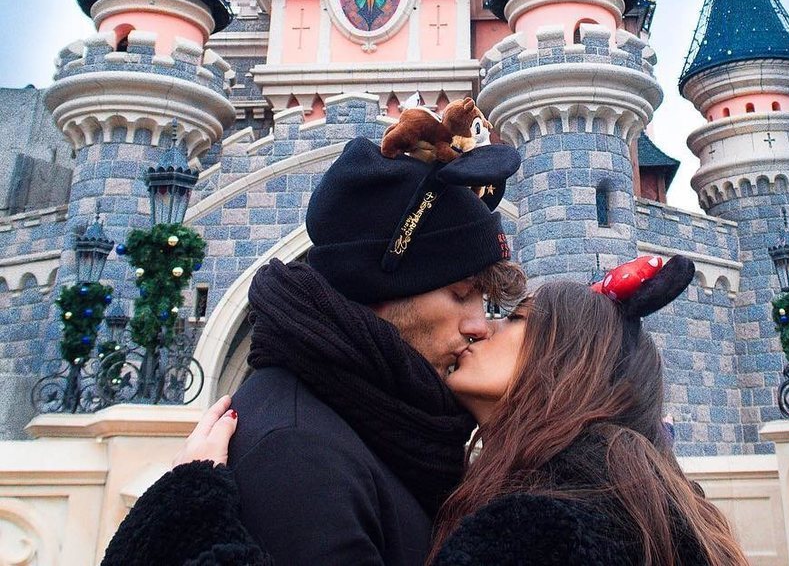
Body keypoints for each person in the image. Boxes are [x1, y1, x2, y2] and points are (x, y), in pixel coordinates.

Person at [103, 254, 752, 566]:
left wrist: (185, 510)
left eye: (510, 316)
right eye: (468, 299)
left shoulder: (547, 527)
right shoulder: (632, 497)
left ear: (564, 357)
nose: (479, 329)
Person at [102, 129, 524, 566]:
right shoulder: (298, 454)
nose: (480, 326)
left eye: (485, 302)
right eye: (460, 294)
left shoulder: (385, 424)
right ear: (379, 288)